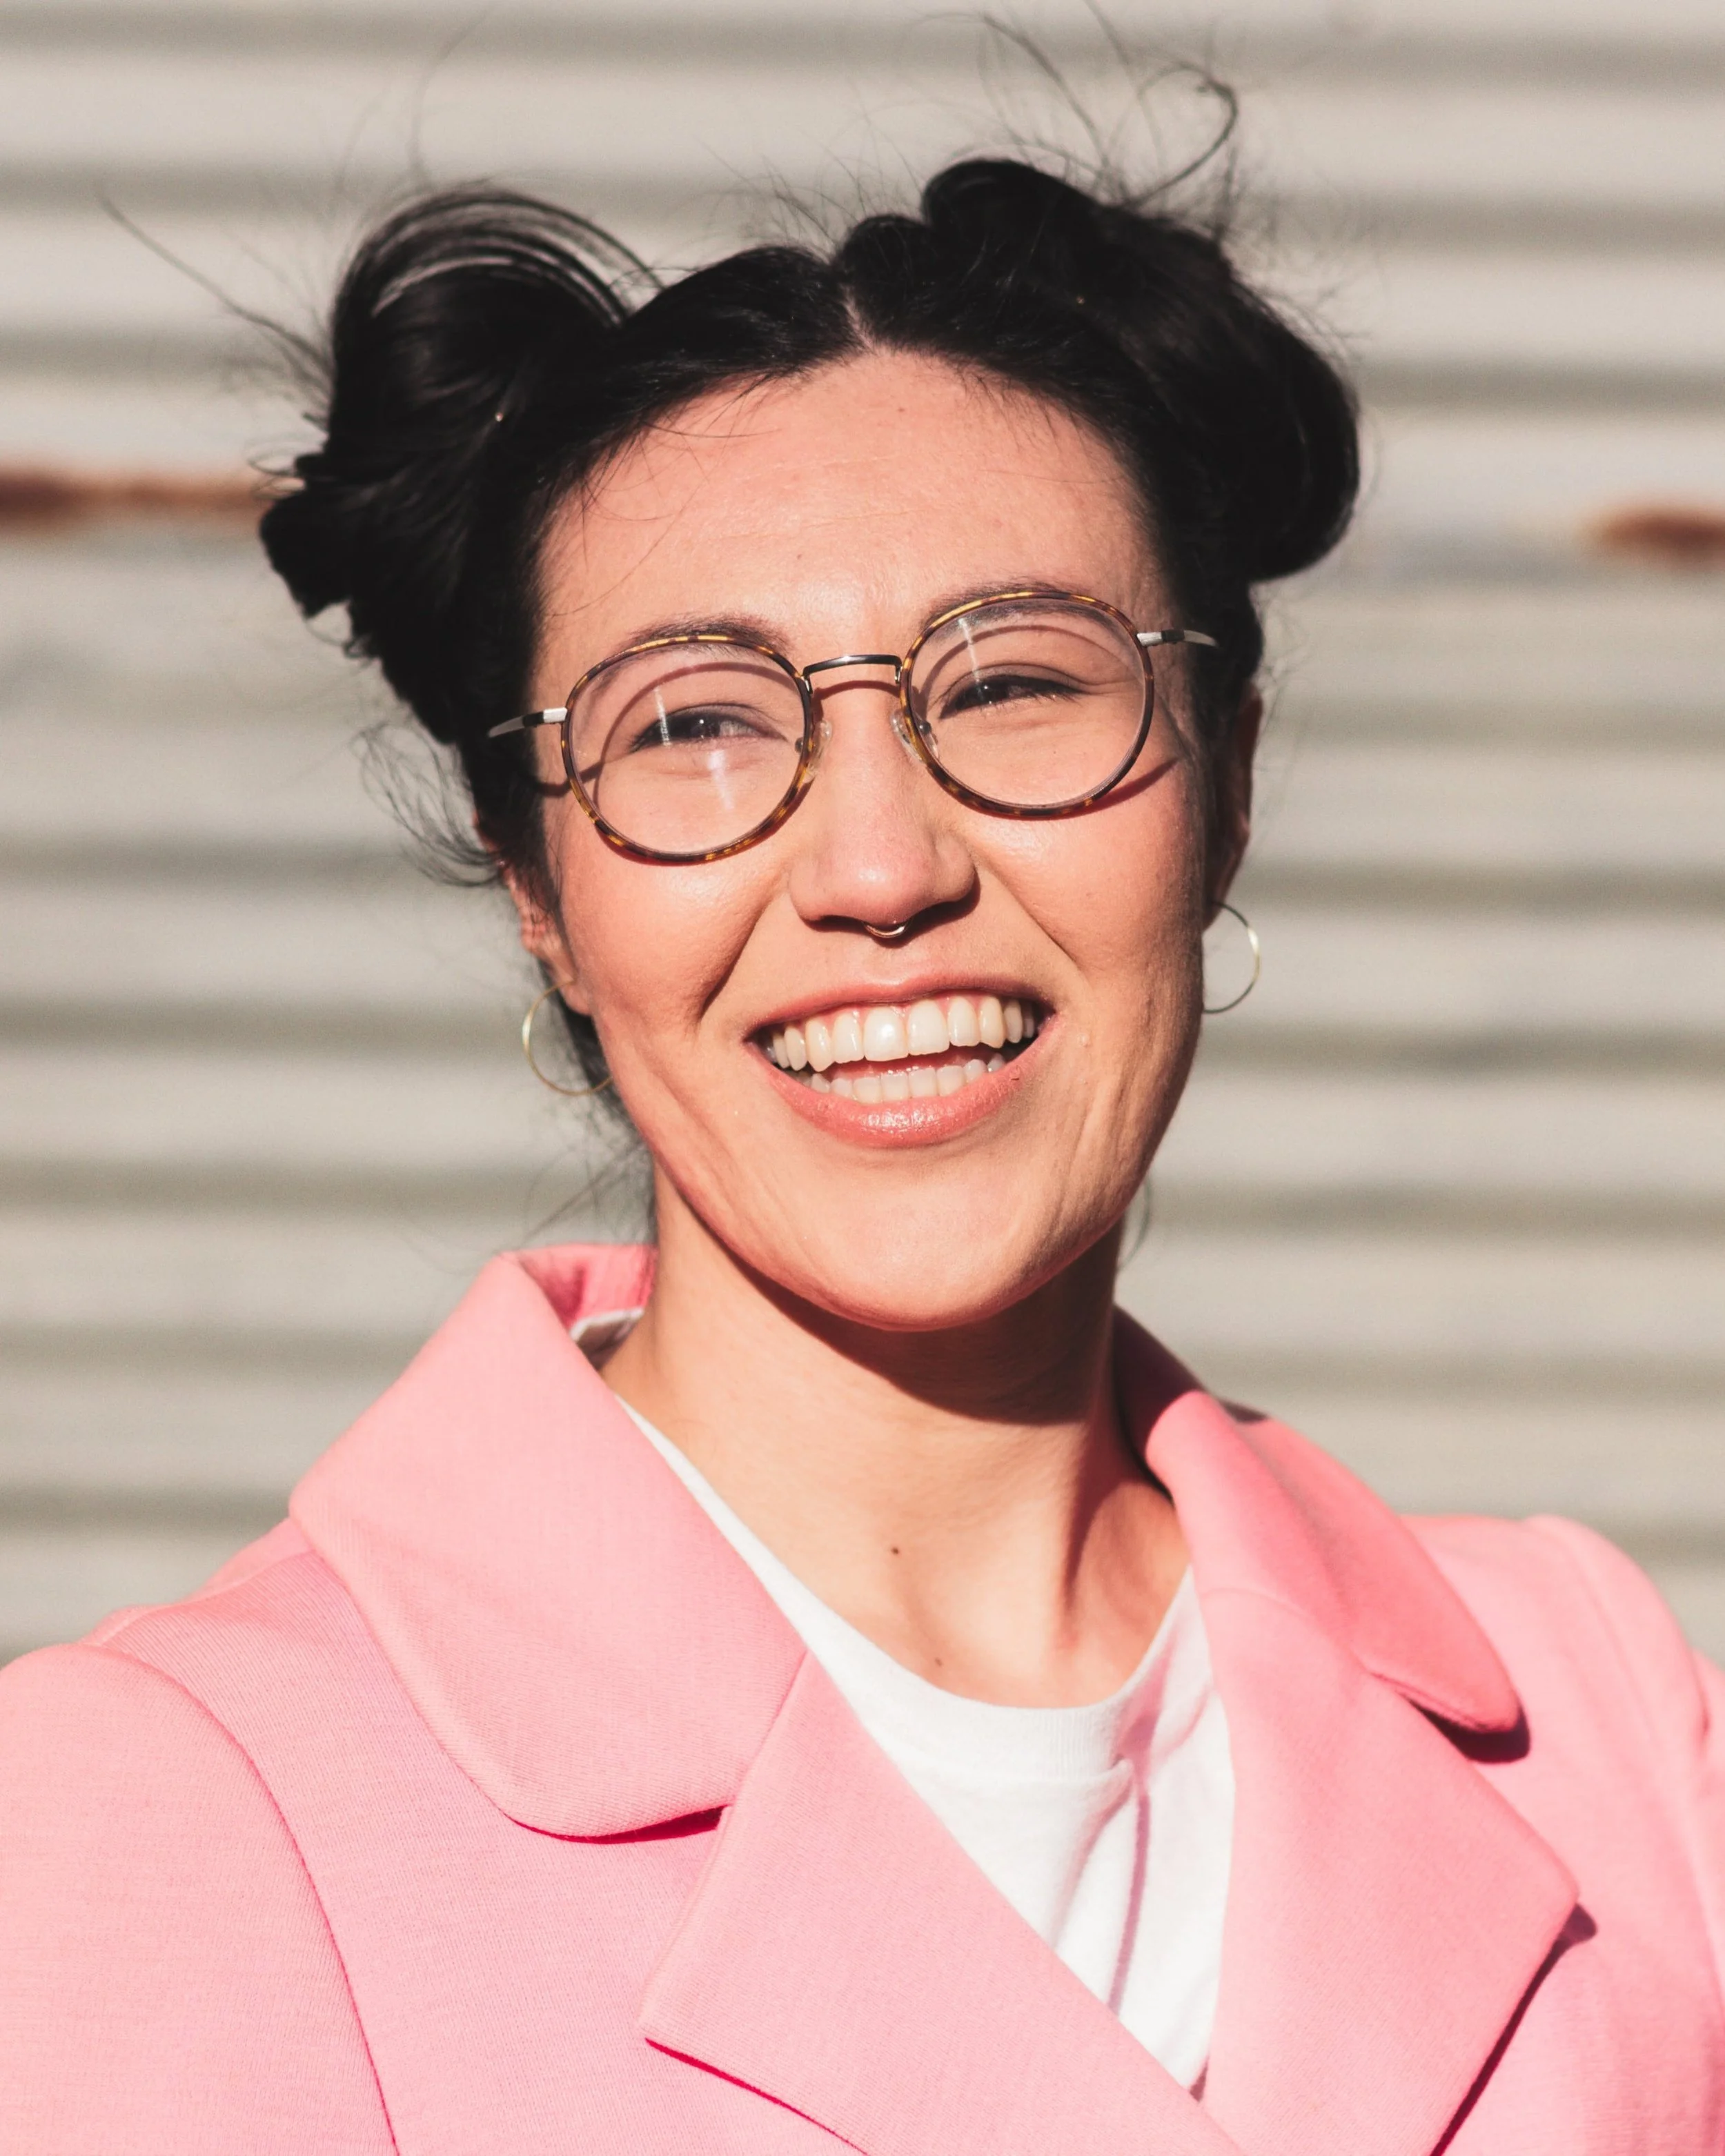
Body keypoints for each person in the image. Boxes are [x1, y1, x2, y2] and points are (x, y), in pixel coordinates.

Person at [3, 155, 1722, 2156]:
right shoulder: (180, 1808)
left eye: (1014, 683)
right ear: (538, 886)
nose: (883, 869)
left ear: (1227, 782)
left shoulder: (1596, 1715)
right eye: (694, 725)